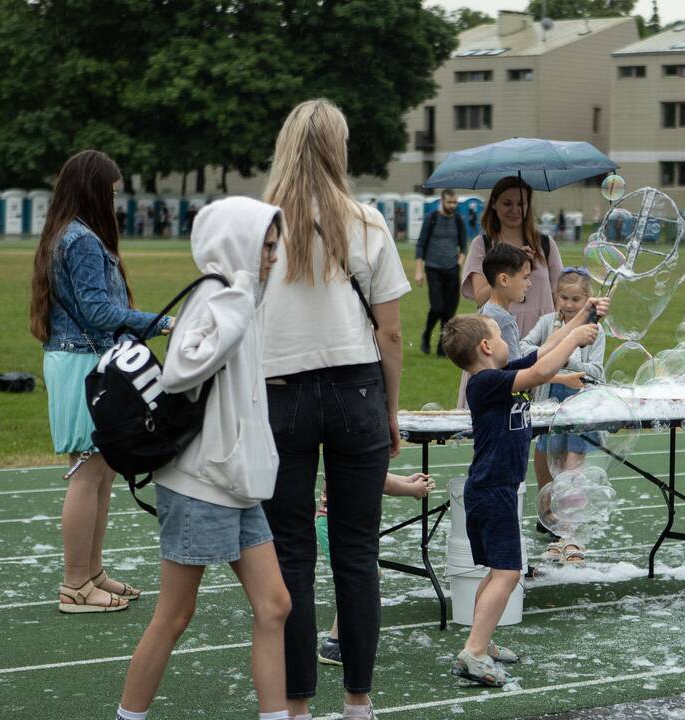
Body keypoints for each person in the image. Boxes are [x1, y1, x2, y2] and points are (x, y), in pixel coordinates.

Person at [259, 98, 410, 720]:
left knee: (291, 554)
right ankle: (357, 699)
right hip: (356, 391)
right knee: (356, 551)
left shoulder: (260, 224)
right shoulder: (367, 221)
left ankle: (295, 705)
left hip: (280, 394)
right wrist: (391, 409)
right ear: (339, 149)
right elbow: (392, 333)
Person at [116, 197, 291, 720]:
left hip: (236, 480)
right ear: (236, 241)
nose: (273, 256)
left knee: (274, 605)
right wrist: (238, 301)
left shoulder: (240, 297)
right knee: (175, 612)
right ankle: (128, 716)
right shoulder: (219, 295)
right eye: (265, 244)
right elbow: (179, 370)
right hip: (200, 480)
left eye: (275, 245)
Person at [28, 150, 173, 614]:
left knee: (101, 473)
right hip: (81, 364)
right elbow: (99, 312)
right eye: (110, 194)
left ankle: (92, 572)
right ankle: (74, 584)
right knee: (87, 473)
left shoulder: (66, 233)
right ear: (94, 192)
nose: (114, 204)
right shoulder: (83, 239)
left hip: (79, 360)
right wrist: (165, 323)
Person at [440, 312, 599, 687]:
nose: (510, 341)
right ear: (486, 346)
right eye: (500, 334)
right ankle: (474, 653)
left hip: (494, 489)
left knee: (497, 572)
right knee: (509, 572)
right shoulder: (486, 383)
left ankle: (480, 641)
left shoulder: (500, 375)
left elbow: (544, 351)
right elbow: (542, 371)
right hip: (492, 491)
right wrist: (575, 339)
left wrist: (580, 318)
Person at [520, 268, 607, 558]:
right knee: (546, 464)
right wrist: (558, 344)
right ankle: (552, 517)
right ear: (556, 296)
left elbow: (596, 371)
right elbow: (524, 348)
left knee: (572, 468)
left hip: (580, 408)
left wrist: (564, 355)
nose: (569, 305)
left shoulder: (595, 330)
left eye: (576, 299)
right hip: (549, 408)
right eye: (564, 298)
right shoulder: (547, 323)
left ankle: (571, 533)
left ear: (587, 300)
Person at [458, 176, 564, 407]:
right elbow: (480, 296)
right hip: (498, 336)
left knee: (538, 415)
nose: (515, 210)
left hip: (539, 334)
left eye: (521, 204)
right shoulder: (483, 244)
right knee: (500, 413)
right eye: (507, 203)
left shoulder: (544, 244)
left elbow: (560, 295)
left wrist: (558, 332)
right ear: (494, 204)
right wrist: (511, 259)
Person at [316, 471, 435, 666]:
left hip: (346, 524)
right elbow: (377, 478)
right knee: (357, 580)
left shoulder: (357, 443)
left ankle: (340, 640)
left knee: (366, 577)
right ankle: (334, 644)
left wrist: (405, 480)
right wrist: (412, 489)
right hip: (337, 524)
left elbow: (377, 469)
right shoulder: (352, 441)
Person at [414, 189, 468, 355]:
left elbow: (463, 246)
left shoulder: (458, 220)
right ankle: (426, 335)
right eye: (449, 202)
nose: (452, 205)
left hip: (452, 269)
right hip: (433, 269)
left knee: (449, 311)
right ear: (442, 201)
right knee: (437, 307)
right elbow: (421, 244)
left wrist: (458, 264)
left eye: (455, 203)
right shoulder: (432, 219)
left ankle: (441, 346)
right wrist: (419, 271)